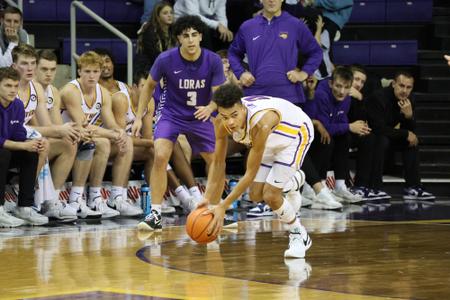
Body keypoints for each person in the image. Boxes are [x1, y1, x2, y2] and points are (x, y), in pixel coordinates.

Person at [132, 15, 226, 230]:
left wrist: (211, 108)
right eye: (186, 36)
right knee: (161, 155)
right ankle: (154, 214)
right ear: (178, 39)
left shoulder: (212, 60)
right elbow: (148, 86)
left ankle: (216, 209)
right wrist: (138, 117)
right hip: (171, 114)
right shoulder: (166, 59)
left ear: (201, 36)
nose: (191, 40)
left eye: (194, 35)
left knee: (216, 161)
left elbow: (218, 93)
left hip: (200, 115)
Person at [201, 84, 313, 258]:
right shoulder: (220, 123)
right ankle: (292, 182)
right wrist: (207, 199)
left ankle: (298, 233)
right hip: (268, 142)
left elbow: (249, 174)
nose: (230, 122)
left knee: (270, 195)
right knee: (255, 195)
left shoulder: (260, 125)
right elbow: (217, 163)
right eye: (225, 116)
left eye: (234, 115)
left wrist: (223, 206)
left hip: (295, 135)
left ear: (243, 108)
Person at [60, 51, 140, 218]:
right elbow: (84, 125)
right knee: (103, 142)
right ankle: (81, 199)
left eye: (95, 72)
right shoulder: (70, 90)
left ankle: (116, 197)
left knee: (125, 140)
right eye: (87, 71)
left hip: (85, 136)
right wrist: (112, 134)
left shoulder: (102, 92)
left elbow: (110, 122)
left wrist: (119, 132)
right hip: (65, 136)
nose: (92, 76)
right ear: (79, 71)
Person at [12, 44, 80, 220]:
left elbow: (46, 125)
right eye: (24, 64)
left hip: (23, 138)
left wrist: (66, 131)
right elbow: (15, 128)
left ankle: (51, 200)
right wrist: (59, 129)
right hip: (8, 139)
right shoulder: (9, 88)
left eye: (32, 63)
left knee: (67, 144)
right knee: (42, 144)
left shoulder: (37, 89)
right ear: (14, 66)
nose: (29, 68)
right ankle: (25, 199)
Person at [228, 0, 322, 105]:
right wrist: (241, 73)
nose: (272, 0)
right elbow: (233, 53)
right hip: (255, 96)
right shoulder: (248, 27)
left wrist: (303, 74)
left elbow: (316, 52)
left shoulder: (295, 25)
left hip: (288, 95)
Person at [367, 71, 435, 201]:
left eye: (408, 87)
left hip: (389, 134)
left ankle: (413, 186)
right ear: (393, 84)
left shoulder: (410, 99)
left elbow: (411, 132)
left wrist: (409, 117)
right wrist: (405, 133)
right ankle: (374, 187)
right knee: (382, 140)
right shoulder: (378, 97)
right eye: (401, 85)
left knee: (412, 142)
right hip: (371, 136)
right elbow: (377, 128)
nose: (404, 91)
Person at [0, 67, 48, 227]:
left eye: (15, 86)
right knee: (3, 154)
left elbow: (18, 134)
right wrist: (23, 145)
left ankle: (24, 207)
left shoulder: (18, 105)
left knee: (31, 153)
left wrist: (33, 142)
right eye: (8, 86)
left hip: (4, 149)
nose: (13, 90)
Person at [347, 65, 390, 201]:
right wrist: (350, 126)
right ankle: (360, 185)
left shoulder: (360, 97)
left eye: (362, 82)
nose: (359, 84)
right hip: (340, 131)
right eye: (356, 79)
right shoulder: (339, 91)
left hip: (354, 132)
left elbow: (364, 118)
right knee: (368, 139)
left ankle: (374, 187)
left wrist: (360, 99)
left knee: (378, 139)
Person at [136, 1, 177, 75]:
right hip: (148, 70)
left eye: (171, 13)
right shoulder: (150, 32)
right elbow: (154, 57)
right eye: (165, 13)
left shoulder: (174, 31)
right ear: (158, 16)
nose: (169, 15)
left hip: (166, 68)